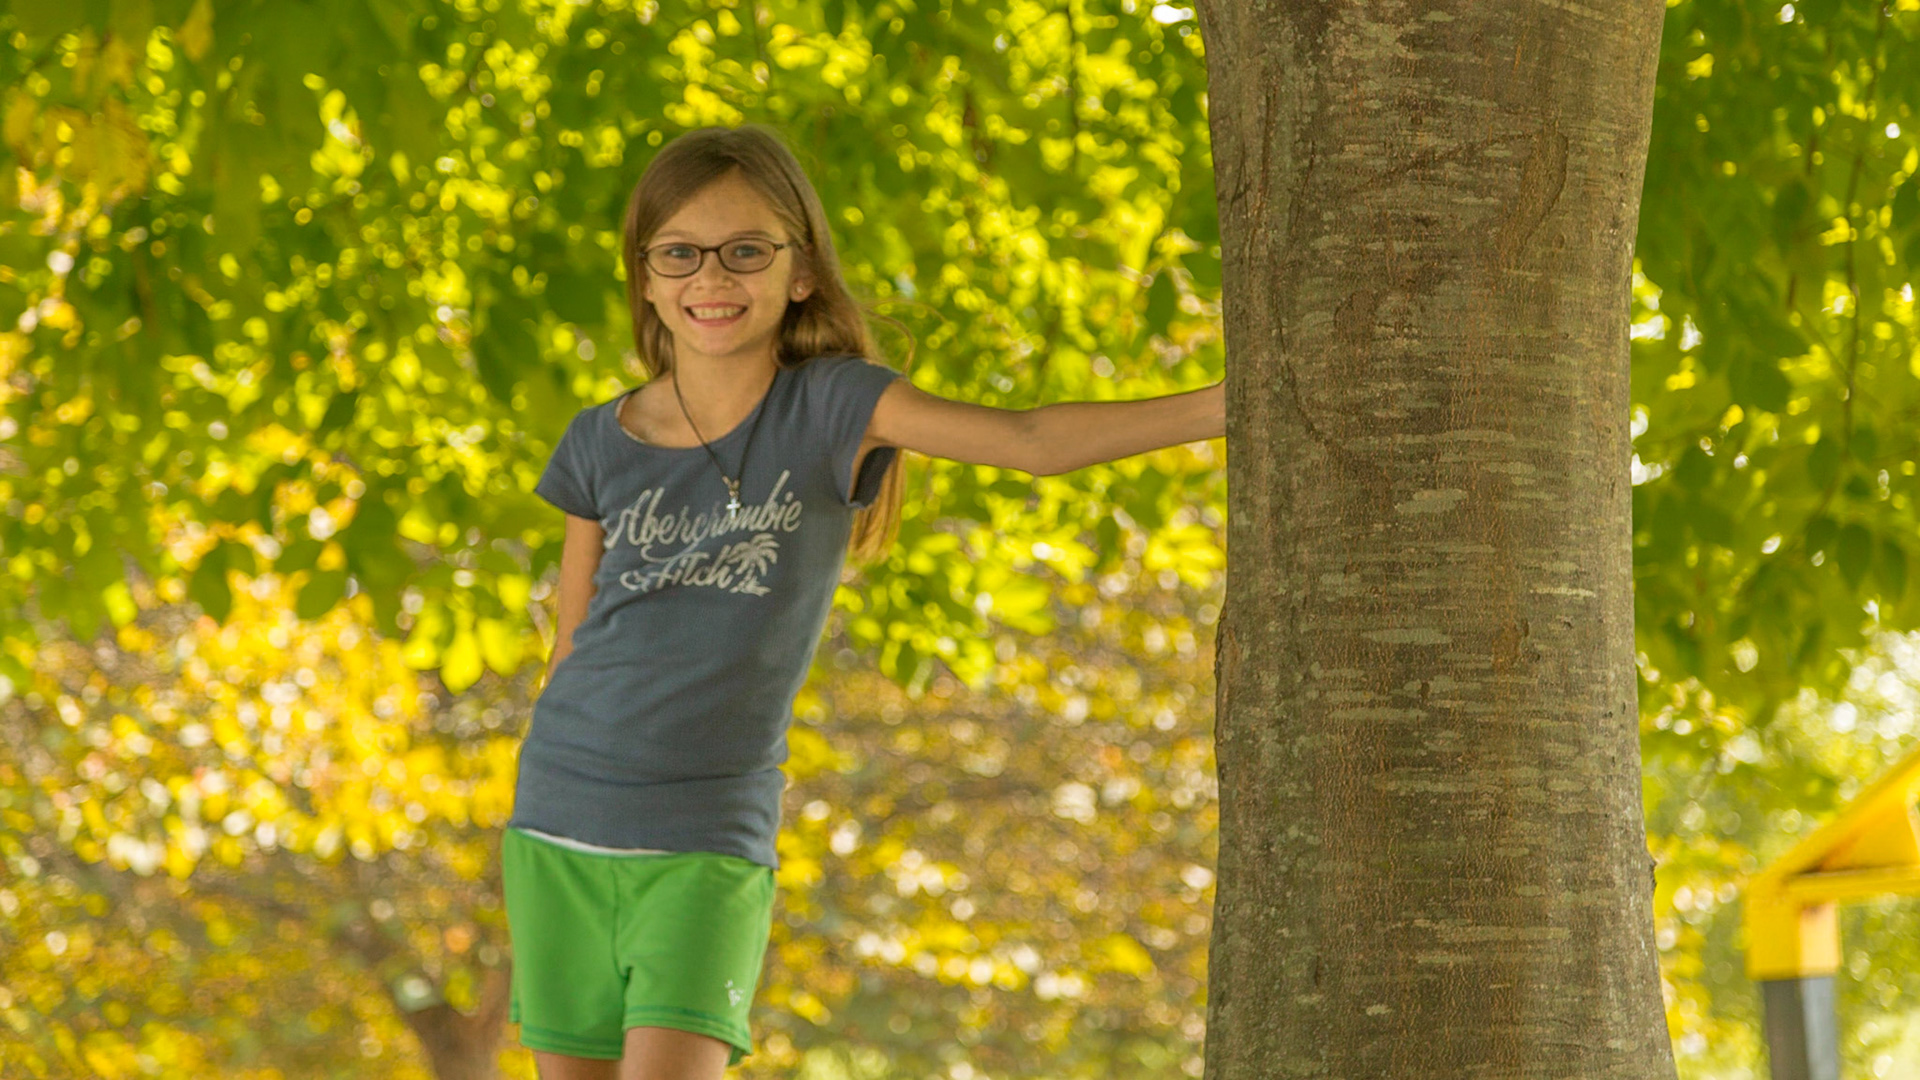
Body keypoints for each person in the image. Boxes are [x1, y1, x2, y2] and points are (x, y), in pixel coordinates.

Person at [501, 123, 1225, 1080]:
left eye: (746, 251)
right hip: (557, 816)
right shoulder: (597, 441)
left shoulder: (835, 406)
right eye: (679, 253)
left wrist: (1229, 402)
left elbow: (1033, 437)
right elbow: (571, 637)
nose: (711, 278)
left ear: (801, 271)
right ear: (644, 277)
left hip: (706, 835)